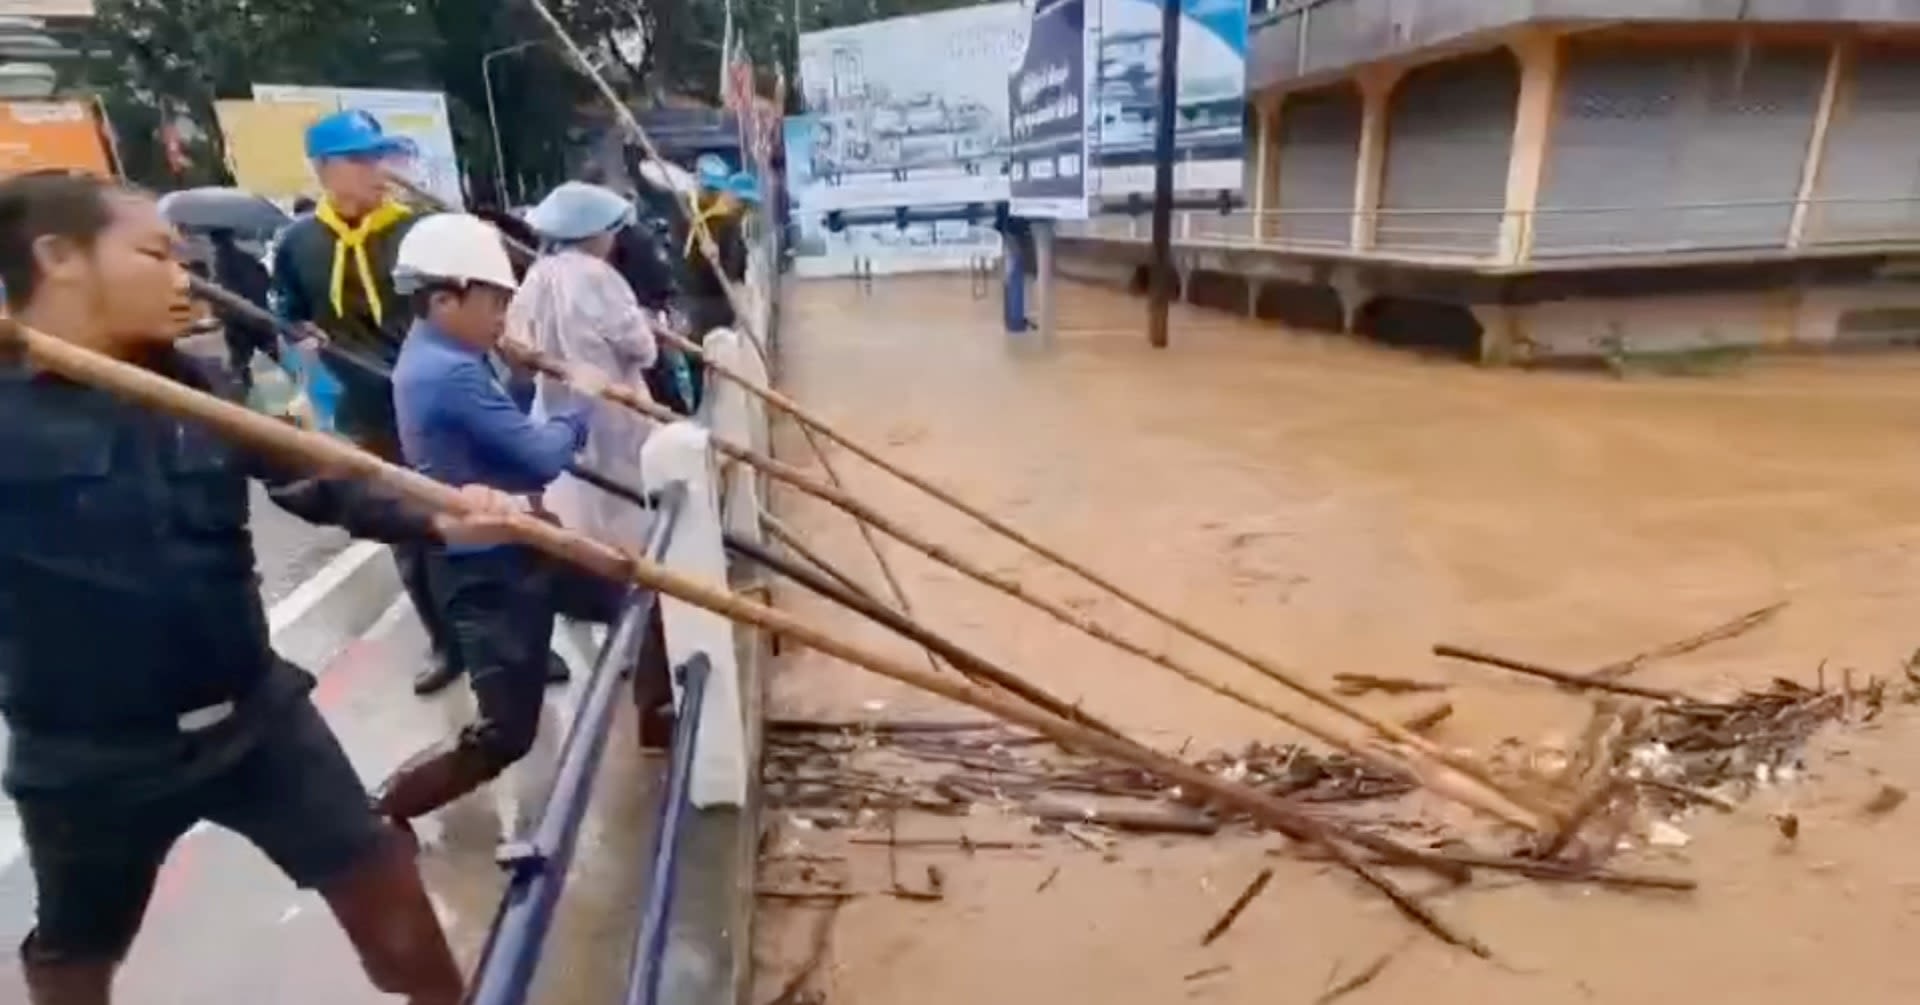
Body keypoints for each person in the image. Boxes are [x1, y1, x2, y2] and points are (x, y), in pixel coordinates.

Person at [0, 169, 523, 1005]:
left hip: (256, 720)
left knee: (388, 896)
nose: (185, 278)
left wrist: (441, 519)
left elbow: (314, 478)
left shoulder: (192, 383)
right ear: (58, 258)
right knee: (75, 953)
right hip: (89, 760)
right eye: (154, 255)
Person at [271, 109, 566, 695]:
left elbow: (478, 304)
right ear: (325, 169)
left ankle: (529, 642)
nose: (379, 171)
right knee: (412, 535)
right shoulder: (300, 241)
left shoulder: (419, 233)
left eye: (382, 157)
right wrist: (300, 337)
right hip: (369, 409)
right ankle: (446, 642)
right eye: (362, 159)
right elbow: (288, 310)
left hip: (446, 403)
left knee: (495, 519)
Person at [376, 213, 626, 822]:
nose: (502, 318)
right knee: (507, 734)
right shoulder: (448, 371)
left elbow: (500, 424)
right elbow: (540, 456)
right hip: (486, 569)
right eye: (492, 302)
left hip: (525, 536)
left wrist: (520, 374)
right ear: (442, 299)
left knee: (636, 598)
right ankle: (383, 811)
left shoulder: (446, 351)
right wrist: (582, 399)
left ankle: (667, 724)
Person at [514, 181, 660, 551]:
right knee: (625, 502)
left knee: (577, 497)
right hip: (613, 406)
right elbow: (643, 349)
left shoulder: (536, 275)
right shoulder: (600, 277)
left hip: (556, 406)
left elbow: (517, 342)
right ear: (595, 234)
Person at [206, 227, 279, 390]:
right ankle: (290, 384)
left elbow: (220, 292)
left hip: (236, 319)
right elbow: (265, 280)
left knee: (241, 360)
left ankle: (246, 390)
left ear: (214, 242)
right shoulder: (248, 259)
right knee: (272, 352)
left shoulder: (220, 264)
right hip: (258, 313)